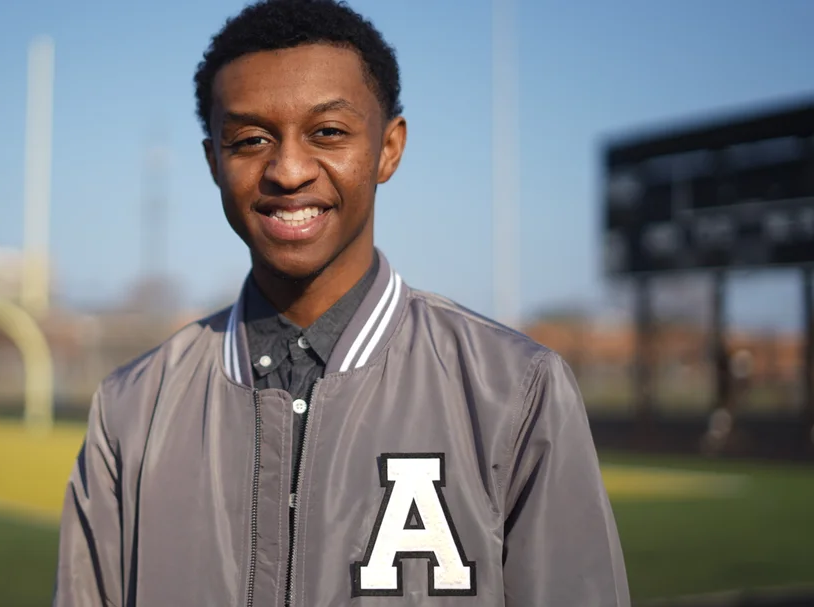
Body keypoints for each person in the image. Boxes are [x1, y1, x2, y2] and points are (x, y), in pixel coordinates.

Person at [53, 0, 630, 605]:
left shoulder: (514, 389)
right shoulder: (131, 410)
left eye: (327, 132)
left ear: (388, 148)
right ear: (214, 163)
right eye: (250, 139)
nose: (289, 170)